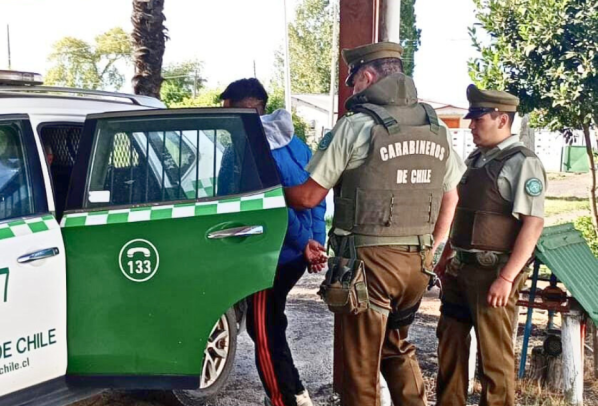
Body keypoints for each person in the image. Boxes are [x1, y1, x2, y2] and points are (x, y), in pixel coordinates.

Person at [284, 42, 466, 406]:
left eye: (353, 83)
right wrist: (434, 247)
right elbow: (452, 195)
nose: (352, 91)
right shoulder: (436, 130)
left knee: (359, 369)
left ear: (366, 77)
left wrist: (271, 187)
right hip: (417, 263)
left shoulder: (355, 127)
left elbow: (307, 197)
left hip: (368, 266)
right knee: (397, 349)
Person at [434, 85, 547, 406]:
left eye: (478, 118)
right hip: (461, 269)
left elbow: (533, 224)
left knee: (494, 361)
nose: (471, 125)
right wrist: (447, 255)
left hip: (493, 274)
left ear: (501, 119)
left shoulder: (522, 162)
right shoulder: (476, 158)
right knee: (450, 349)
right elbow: (461, 212)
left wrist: (508, 277)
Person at [219, 78, 326, 406]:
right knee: (272, 323)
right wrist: (315, 242)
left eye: (229, 112)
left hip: (270, 254)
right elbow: (316, 195)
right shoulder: (295, 142)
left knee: (264, 332)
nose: (226, 122)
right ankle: (295, 391)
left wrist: (305, 241)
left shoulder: (248, 147)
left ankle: (282, 399)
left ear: (249, 108)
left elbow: (268, 205)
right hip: (295, 252)